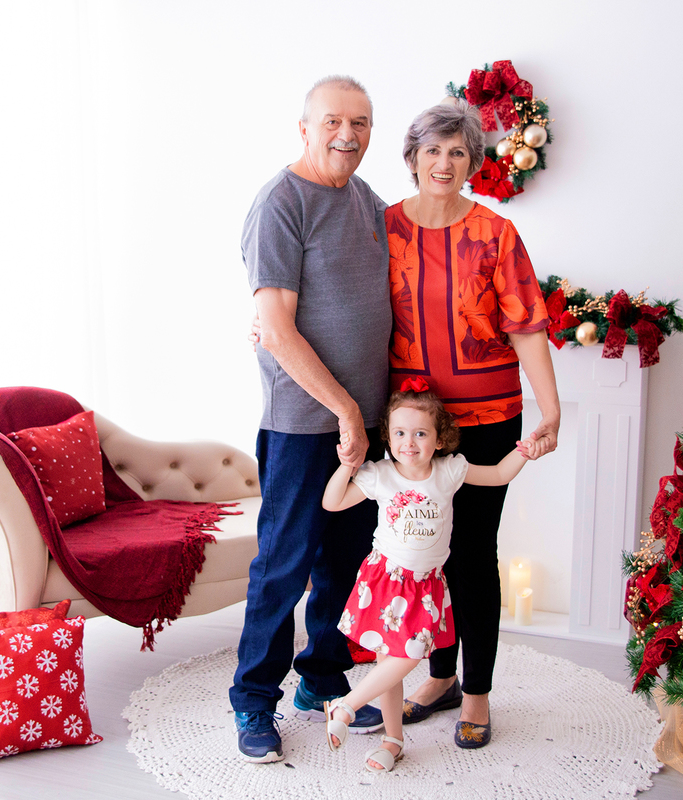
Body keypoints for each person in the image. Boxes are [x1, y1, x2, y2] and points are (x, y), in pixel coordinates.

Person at [388, 100, 560, 749]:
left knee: (471, 556)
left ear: (473, 164)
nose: (443, 162)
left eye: (457, 152)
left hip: (489, 416)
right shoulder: (384, 229)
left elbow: (527, 327)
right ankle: (437, 677)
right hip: (412, 427)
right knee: (423, 551)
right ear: (412, 159)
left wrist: (551, 407)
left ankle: (478, 694)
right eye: (433, 150)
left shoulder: (496, 233)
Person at [230, 75, 391, 764]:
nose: (346, 134)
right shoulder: (280, 204)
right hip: (304, 424)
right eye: (332, 121)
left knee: (348, 564)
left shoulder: (369, 204)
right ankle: (253, 698)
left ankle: (321, 677)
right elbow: (276, 327)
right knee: (285, 564)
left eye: (360, 122)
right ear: (304, 127)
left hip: (371, 424)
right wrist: (345, 409)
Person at [320, 380, 534, 772]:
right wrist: (347, 465)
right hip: (385, 579)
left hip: (425, 586)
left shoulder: (449, 471)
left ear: (439, 439)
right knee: (391, 663)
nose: (409, 443)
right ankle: (393, 740)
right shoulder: (381, 475)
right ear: (389, 436)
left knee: (408, 654)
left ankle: (347, 705)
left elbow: (500, 474)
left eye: (421, 433)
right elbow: (332, 503)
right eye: (400, 433)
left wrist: (524, 451)